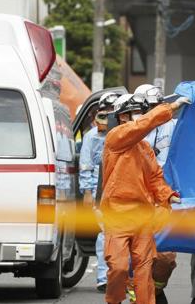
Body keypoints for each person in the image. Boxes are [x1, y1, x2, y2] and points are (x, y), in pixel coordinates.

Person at [100, 93, 189, 304]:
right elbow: (143, 125)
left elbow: (155, 178)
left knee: (144, 271)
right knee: (119, 268)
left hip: (142, 216)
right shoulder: (115, 138)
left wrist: (168, 195)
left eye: (142, 112)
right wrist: (172, 107)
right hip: (117, 216)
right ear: (123, 116)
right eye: (137, 112)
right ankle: (114, 301)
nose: (141, 116)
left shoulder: (144, 148)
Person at [133, 84, 180, 304]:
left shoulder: (176, 126)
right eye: (147, 106)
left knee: (166, 257)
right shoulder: (132, 130)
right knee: (138, 257)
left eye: (156, 105)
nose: (153, 110)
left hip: (165, 200)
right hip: (138, 200)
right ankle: (142, 296)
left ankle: (157, 292)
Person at [78, 91, 119, 292]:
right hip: (100, 191)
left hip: (123, 190)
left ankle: (121, 275)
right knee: (105, 234)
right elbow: (86, 164)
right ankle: (104, 278)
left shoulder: (125, 131)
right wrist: (87, 191)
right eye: (104, 112)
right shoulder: (92, 137)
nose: (108, 117)